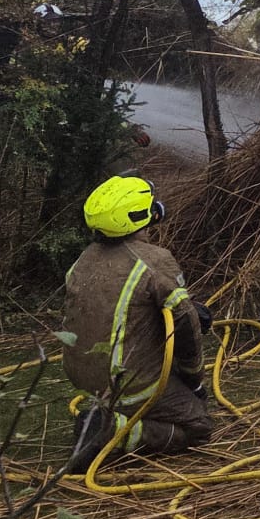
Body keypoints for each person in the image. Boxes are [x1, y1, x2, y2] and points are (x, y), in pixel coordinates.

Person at [63, 176, 212, 470]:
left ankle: (109, 415)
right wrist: (194, 381)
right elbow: (185, 328)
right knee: (199, 424)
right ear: (138, 217)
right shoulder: (155, 260)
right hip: (129, 382)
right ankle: (112, 432)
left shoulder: (83, 260)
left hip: (84, 378)